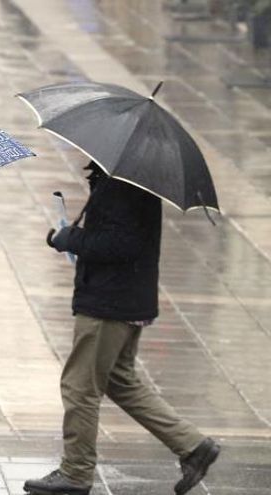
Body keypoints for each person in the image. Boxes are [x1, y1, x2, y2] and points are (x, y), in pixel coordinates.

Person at [24, 162, 220, 495]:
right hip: (124, 297)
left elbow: (119, 244)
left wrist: (73, 238)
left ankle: (75, 472)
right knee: (120, 381)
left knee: (79, 387)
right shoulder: (125, 178)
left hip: (108, 304)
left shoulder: (122, 184)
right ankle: (193, 446)